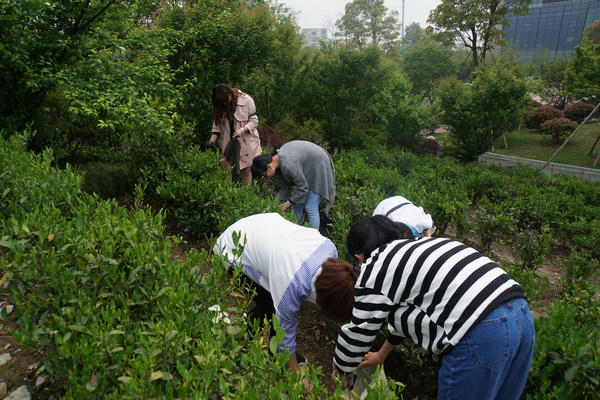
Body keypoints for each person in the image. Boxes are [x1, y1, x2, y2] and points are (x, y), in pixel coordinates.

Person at [332, 215, 535, 400]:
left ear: (359, 256)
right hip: (522, 316)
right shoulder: (427, 245)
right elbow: (404, 315)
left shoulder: (377, 266)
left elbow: (360, 330)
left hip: (481, 332)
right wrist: (381, 355)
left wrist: (341, 370)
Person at [213, 213, 357, 371]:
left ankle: (273, 352)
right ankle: (236, 345)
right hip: (233, 246)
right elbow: (284, 331)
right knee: (268, 305)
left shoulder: (330, 251)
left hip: (261, 226)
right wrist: (296, 375)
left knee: (274, 304)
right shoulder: (291, 287)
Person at [251, 140, 335, 230]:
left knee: (310, 207)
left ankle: (314, 237)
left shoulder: (288, 164)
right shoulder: (277, 164)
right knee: (296, 204)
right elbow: (284, 188)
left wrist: (287, 203)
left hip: (319, 164)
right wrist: (276, 205)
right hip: (307, 165)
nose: (266, 177)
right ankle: (293, 233)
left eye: (264, 175)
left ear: (269, 167)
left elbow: (303, 188)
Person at [207, 83, 261, 185]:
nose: (224, 103)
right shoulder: (219, 106)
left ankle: (245, 193)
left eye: (225, 100)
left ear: (229, 93)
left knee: (246, 170)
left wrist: (242, 130)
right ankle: (227, 194)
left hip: (246, 141)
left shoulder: (246, 100)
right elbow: (217, 125)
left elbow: (254, 121)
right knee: (226, 170)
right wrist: (211, 141)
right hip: (227, 142)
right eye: (221, 102)